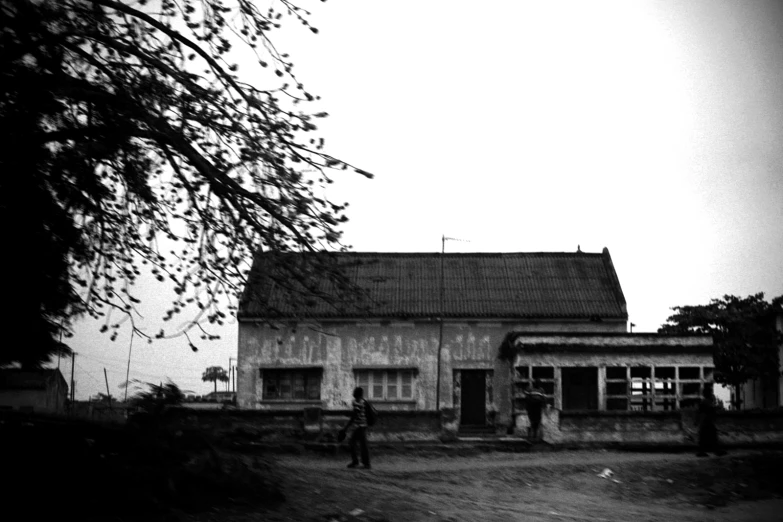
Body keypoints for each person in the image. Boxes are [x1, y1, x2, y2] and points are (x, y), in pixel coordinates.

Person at [342, 386, 371, 469]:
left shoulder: (356, 402)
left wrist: (346, 428)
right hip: (364, 425)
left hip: (359, 426)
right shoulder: (363, 401)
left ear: (355, 393)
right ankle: (365, 463)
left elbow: (354, 416)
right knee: (363, 444)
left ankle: (357, 462)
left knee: (352, 442)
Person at [696, 384, 727, 457]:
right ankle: (715, 451)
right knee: (711, 436)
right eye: (711, 392)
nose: (712, 393)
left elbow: (699, 412)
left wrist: (696, 421)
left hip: (706, 422)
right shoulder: (706, 401)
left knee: (705, 437)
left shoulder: (705, 401)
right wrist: (719, 406)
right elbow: (711, 408)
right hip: (707, 422)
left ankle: (705, 451)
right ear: (708, 393)